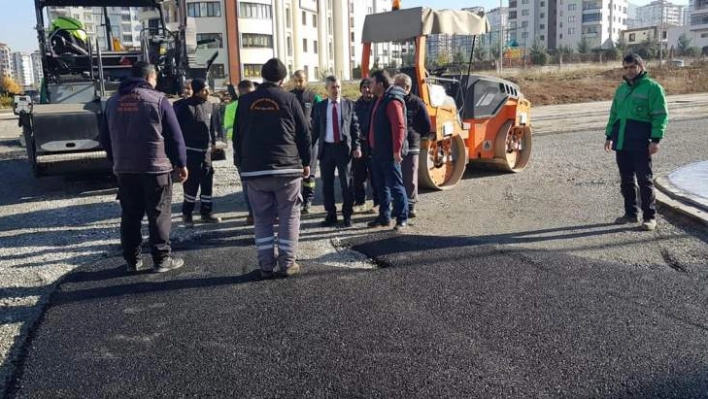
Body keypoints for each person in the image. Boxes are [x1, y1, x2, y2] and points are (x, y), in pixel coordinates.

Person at [100, 61, 188, 273]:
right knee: (158, 214)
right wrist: (181, 163)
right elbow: (175, 136)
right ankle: (161, 260)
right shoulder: (158, 100)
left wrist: (115, 161)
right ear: (150, 77)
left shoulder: (112, 102)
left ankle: (132, 261)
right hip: (155, 168)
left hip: (125, 170)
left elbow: (105, 137)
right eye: (155, 79)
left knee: (130, 215)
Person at [234, 58, 311, 279]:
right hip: (287, 169)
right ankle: (288, 264)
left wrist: (241, 163)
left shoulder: (245, 101)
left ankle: (266, 266)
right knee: (289, 216)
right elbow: (304, 134)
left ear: (262, 76)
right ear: (283, 79)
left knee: (262, 218)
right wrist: (306, 163)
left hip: (255, 171)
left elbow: (237, 136)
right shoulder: (290, 99)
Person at [605, 53, 668, 232]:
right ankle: (630, 213)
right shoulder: (621, 90)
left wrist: (655, 140)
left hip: (641, 142)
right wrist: (609, 136)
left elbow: (660, 115)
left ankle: (649, 217)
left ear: (641, 66)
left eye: (632, 67)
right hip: (622, 142)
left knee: (644, 180)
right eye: (626, 67)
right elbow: (614, 115)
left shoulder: (653, 88)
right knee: (626, 180)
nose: (629, 71)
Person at [311, 75, 362, 228]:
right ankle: (331, 215)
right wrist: (307, 151)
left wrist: (357, 146)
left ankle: (347, 216)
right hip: (326, 150)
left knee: (347, 184)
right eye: (333, 87)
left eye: (338, 87)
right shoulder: (320, 107)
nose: (337, 90)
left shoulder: (348, 105)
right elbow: (315, 130)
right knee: (327, 185)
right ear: (326, 89)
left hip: (343, 149)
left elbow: (355, 128)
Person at [174, 78, 222, 226]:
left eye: (207, 89)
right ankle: (187, 214)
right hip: (190, 152)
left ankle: (206, 212)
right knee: (191, 184)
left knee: (207, 182)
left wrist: (214, 144)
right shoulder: (182, 106)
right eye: (203, 90)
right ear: (196, 90)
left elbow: (213, 129)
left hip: (206, 152)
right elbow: (176, 130)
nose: (207, 92)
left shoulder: (210, 106)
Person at [367, 70, 409, 231]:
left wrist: (397, 150)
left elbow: (399, 126)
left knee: (395, 186)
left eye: (371, 83)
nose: (369, 86)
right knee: (381, 186)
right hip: (377, 151)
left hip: (389, 153)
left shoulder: (392, 101)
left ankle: (402, 218)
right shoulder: (380, 99)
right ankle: (384, 217)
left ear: (380, 84)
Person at [393, 73, 432, 218]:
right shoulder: (392, 101)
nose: (394, 88)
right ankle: (398, 205)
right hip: (395, 145)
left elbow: (426, 125)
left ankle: (410, 205)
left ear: (407, 87)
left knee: (410, 176)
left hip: (411, 145)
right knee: (397, 176)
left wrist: (414, 135)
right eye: (394, 84)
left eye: (398, 85)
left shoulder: (417, 103)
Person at [290, 70, 323, 213]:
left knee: (310, 172)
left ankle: (308, 201)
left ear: (306, 80)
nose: (299, 83)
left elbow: (321, 115)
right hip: (293, 141)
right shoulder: (289, 96)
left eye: (301, 80)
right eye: (296, 80)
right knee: (295, 172)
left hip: (311, 140)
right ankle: (295, 200)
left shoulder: (314, 97)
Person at [225, 79, 256, 225]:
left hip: (244, 152)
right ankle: (254, 213)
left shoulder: (233, 107)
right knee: (251, 185)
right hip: (245, 152)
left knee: (249, 185)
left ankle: (254, 214)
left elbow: (229, 131)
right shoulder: (233, 107)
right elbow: (229, 131)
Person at [352, 78, 378, 214]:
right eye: (364, 87)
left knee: (376, 176)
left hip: (374, 145)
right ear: (360, 89)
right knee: (359, 175)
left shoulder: (377, 104)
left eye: (369, 87)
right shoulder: (355, 105)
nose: (367, 90)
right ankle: (360, 202)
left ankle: (377, 203)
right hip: (360, 145)